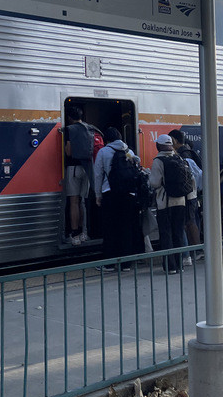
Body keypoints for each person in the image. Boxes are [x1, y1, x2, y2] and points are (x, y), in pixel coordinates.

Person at [93, 127, 142, 269]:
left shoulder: (103, 151)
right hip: (128, 195)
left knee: (110, 229)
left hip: (110, 194)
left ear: (107, 139)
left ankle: (109, 264)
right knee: (126, 228)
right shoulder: (129, 152)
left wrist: (97, 195)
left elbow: (98, 175)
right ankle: (126, 264)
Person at [148, 134, 193, 274]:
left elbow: (154, 182)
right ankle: (180, 265)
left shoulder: (158, 161)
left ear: (159, 146)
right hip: (181, 201)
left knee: (166, 233)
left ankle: (170, 267)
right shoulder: (179, 158)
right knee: (178, 232)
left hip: (165, 203)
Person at [63, 105, 96, 245]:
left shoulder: (69, 129)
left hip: (74, 168)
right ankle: (84, 233)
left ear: (69, 118)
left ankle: (74, 234)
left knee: (73, 202)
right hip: (87, 168)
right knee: (82, 201)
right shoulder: (90, 128)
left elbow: (69, 152)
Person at [169, 129, 203, 254]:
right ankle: (196, 249)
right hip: (193, 193)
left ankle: (196, 250)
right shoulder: (188, 152)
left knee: (189, 222)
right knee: (192, 220)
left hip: (188, 194)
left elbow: (190, 176)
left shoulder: (184, 155)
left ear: (175, 141)